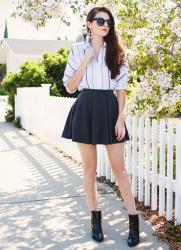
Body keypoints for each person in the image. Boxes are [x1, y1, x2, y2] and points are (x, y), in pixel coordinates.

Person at [61, 6, 140, 247]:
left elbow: (122, 90)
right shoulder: (77, 50)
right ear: (89, 24)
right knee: (89, 170)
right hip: (85, 107)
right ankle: (95, 220)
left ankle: (134, 221)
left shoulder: (117, 52)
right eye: (100, 20)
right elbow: (70, 87)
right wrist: (87, 57)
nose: (105, 24)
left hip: (109, 107)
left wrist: (120, 117)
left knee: (120, 170)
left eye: (108, 21)